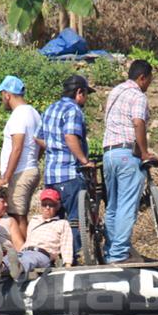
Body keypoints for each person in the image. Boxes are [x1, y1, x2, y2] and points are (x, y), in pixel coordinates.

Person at [100, 59, 157, 263]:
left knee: (113, 206)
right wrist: (144, 153)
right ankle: (119, 255)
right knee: (127, 206)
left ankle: (110, 252)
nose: (149, 84)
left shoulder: (115, 92)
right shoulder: (138, 95)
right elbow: (138, 123)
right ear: (142, 78)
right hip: (126, 154)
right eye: (149, 80)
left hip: (109, 154)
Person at [40, 74, 95, 255]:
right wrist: (84, 160)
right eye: (86, 94)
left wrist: (55, 149)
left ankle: (53, 254)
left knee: (55, 220)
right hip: (69, 175)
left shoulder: (50, 108)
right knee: (74, 220)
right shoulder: (73, 110)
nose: (85, 99)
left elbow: (38, 137)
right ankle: (74, 256)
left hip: (51, 175)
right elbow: (70, 137)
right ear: (79, 92)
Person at [0, 75, 41, 232]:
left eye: (2, 94)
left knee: (17, 216)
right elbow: (41, 143)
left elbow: (17, 148)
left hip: (20, 172)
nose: (2, 99)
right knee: (19, 214)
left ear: (7, 94)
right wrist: (34, 160)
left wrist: (6, 176)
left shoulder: (18, 115)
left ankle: (24, 253)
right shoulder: (34, 113)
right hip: (30, 169)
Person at [0, 187, 74, 281]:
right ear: (41, 205)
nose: (47, 207)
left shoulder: (62, 223)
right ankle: (1, 266)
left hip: (43, 253)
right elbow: (29, 238)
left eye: (51, 205)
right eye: (44, 204)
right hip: (25, 251)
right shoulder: (34, 221)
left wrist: (67, 263)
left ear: (57, 206)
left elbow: (66, 244)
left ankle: (18, 267)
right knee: (13, 256)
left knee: (30, 258)